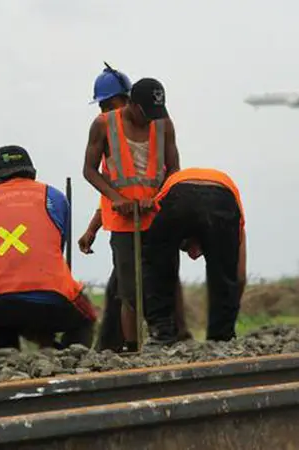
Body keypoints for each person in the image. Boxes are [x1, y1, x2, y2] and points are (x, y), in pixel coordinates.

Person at [78, 65, 191, 351]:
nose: (103, 110)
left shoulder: (163, 123)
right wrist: (116, 201)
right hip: (122, 220)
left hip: (156, 217)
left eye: (106, 103)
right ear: (132, 105)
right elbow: (92, 173)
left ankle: (171, 336)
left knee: (162, 280)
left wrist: (160, 198)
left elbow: (173, 170)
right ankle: (130, 348)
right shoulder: (105, 125)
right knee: (128, 290)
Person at [0, 146, 98, 350]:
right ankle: (70, 361)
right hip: (50, 295)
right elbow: (55, 247)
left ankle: (4, 364)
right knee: (86, 317)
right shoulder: (55, 197)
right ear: (34, 173)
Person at [144, 168, 247, 343]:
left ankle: (161, 332)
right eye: (186, 248)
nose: (193, 256)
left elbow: (153, 262)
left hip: (180, 193)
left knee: (157, 266)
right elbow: (238, 275)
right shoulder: (233, 215)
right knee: (224, 272)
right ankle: (222, 338)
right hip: (221, 196)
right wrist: (230, 306)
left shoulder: (166, 200)